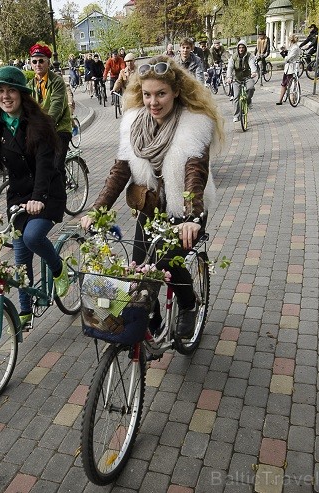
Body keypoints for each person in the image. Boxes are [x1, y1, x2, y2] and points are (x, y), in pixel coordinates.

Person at [80, 55, 223, 337]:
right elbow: (120, 171)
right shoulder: (134, 123)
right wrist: (97, 210)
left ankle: (189, 304)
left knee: (168, 259)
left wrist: (192, 217)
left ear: (176, 92)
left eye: (161, 94)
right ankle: (151, 313)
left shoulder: (194, 124)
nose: (153, 102)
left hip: (186, 210)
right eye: (147, 95)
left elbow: (195, 172)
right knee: (137, 271)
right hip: (150, 209)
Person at [0, 66, 70, 328]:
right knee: (20, 256)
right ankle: (25, 310)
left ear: (21, 94)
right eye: (0, 91)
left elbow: (45, 163)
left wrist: (39, 196)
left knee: (32, 237)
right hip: (19, 196)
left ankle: (58, 268)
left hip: (47, 192)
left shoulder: (38, 124)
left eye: (10, 91)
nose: (5, 96)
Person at [28, 43, 72, 180]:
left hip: (59, 128)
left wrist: (46, 125)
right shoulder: (29, 85)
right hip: (42, 129)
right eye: (34, 61)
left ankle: (61, 198)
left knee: (56, 167)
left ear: (48, 62)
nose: (38, 64)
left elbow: (56, 106)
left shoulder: (57, 81)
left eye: (41, 61)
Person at [227, 40, 257, 122]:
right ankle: (236, 115)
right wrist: (229, 77)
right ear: (237, 48)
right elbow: (230, 67)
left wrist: (254, 72)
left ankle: (248, 100)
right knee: (236, 97)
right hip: (237, 79)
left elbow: (252, 64)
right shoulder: (233, 57)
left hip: (247, 77)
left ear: (245, 48)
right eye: (239, 47)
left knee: (251, 88)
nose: (241, 49)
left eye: (243, 47)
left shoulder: (249, 56)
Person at [276, 35, 301, 105]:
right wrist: (284, 51)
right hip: (287, 68)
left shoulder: (295, 48)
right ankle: (280, 100)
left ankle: (293, 99)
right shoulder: (291, 47)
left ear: (291, 41)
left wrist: (283, 54)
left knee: (292, 85)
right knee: (283, 83)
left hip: (292, 69)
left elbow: (288, 58)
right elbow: (288, 54)